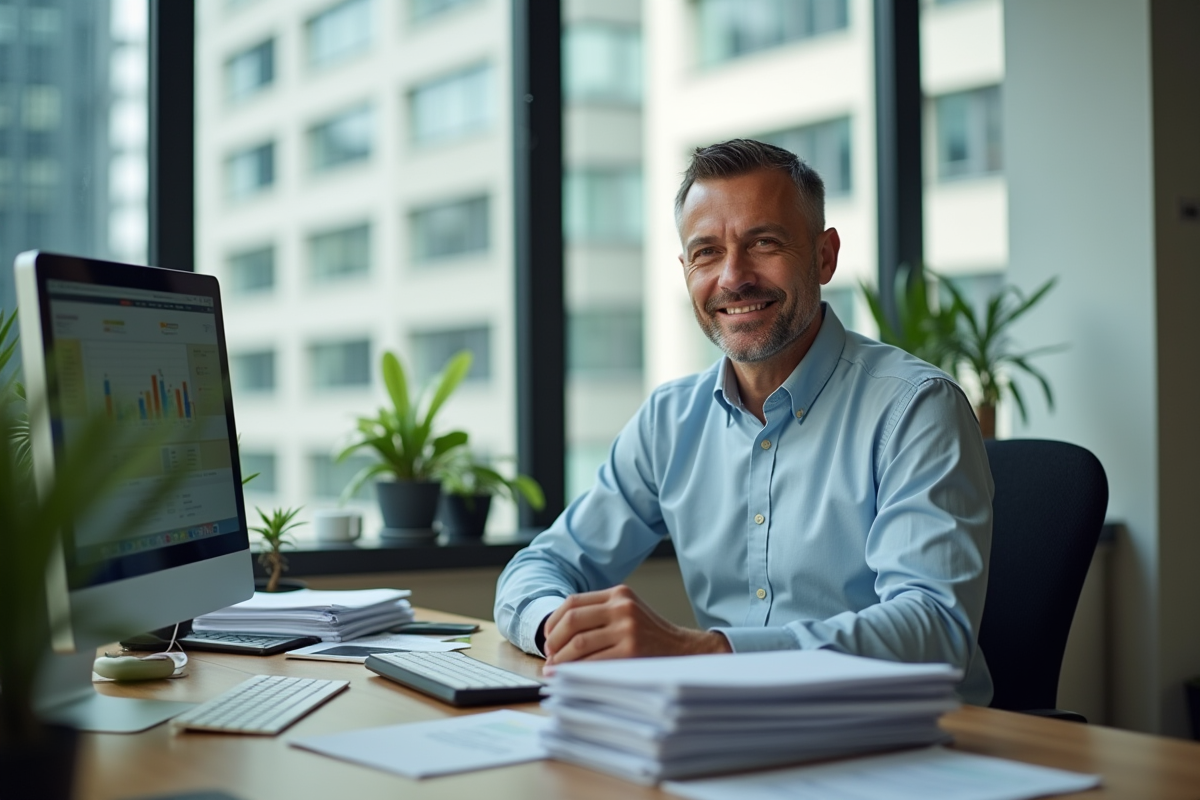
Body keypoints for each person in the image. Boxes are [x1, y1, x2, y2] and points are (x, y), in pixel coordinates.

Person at [494, 138, 993, 704]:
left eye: (764, 243)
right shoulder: (669, 421)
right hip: (727, 728)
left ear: (824, 256)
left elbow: (934, 631)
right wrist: (559, 630)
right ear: (686, 271)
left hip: (903, 733)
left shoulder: (916, 407)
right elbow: (542, 565)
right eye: (706, 253)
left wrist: (706, 653)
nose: (733, 277)